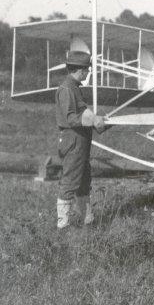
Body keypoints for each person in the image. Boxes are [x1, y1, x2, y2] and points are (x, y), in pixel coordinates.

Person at [55, 51, 106, 229]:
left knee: (84, 182)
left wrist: (99, 121)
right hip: (73, 141)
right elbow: (71, 119)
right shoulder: (67, 89)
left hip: (81, 141)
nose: (87, 73)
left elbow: (84, 112)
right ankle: (63, 225)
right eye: (86, 70)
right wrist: (93, 121)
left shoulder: (74, 87)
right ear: (80, 70)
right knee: (70, 182)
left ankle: (88, 220)